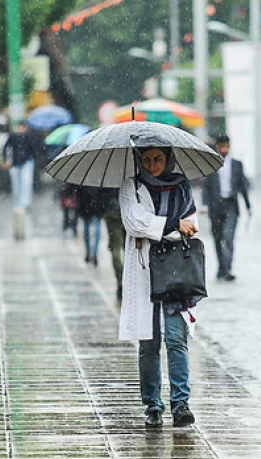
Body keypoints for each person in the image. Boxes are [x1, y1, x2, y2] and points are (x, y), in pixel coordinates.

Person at [119, 145, 199, 428]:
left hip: (175, 271)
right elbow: (133, 222)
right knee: (149, 344)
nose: (152, 165)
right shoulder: (131, 186)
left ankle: (180, 403)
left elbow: (192, 224)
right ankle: (152, 404)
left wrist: (161, 227)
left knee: (177, 339)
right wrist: (173, 225)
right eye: (147, 159)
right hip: (144, 271)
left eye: (158, 159)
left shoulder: (181, 187)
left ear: (168, 159)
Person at [201, 134, 251, 281]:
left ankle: (227, 269)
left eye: (226, 146)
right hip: (215, 206)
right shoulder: (210, 164)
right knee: (218, 238)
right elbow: (206, 187)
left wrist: (248, 205)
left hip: (231, 205)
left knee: (228, 238)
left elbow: (243, 185)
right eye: (221, 146)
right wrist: (204, 204)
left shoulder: (237, 164)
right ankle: (221, 267)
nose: (224, 149)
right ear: (217, 147)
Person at [2, 120, 41, 239]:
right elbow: (5, 148)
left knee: (26, 182)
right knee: (16, 184)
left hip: (27, 162)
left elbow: (34, 148)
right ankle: (17, 202)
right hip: (15, 163)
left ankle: (25, 203)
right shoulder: (12, 136)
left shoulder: (29, 136)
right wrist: (5, 160)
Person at [101, 187, 126, 300]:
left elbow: (101, 195)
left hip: (111, 212)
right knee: (129, 249)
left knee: (115, 248)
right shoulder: (131, 173)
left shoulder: (107, 175)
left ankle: (120, 279)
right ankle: (125, 279)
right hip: (126, 212)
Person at [76, 185, 106, 265]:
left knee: (93, 232)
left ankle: (92, 253)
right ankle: (91, 253)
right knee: (93, 232)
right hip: (91, 207)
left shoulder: (85, 179)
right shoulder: (100, 179)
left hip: (92, 208)